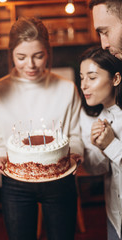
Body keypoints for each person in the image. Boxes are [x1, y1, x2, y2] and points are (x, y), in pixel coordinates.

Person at [0, 17, 83, 240]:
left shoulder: (67, 89)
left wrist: (75, 153)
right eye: (21, 57)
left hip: (61, 179)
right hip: (14, 183)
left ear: (48, 52)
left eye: (38, 56)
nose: (31, 65)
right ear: (11, 55)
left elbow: (75, 134)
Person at [79, 46, 122, 240]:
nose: (84, 85)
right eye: (81, 77)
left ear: (115, 79)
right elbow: (98, 170)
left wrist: (111, 145)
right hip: (114, 215)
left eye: (92, 77)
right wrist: (99, 147)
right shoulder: (100, 118)